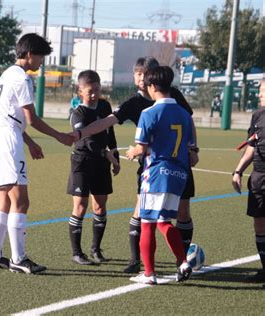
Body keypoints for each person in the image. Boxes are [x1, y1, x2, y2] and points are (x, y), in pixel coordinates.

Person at [70, 57, 199, 274]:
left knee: (181, 213)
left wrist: (193, 149)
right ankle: (136, 261)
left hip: (175, 164)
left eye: (145, 73)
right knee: (143, 213)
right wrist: (81, 133)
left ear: (153, 78)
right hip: (155, 167)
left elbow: (189, 120)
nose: (140, 78)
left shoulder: (171, 95)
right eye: (137, 73)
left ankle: (178, 262)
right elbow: (108, 122)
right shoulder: (134, 103)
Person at [0, 33, 72, 274]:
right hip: (9, 141)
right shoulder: (23, 79)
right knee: (21, 202)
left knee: (4, 200)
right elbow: (31, 119)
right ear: (30, 54)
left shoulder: (6, 74)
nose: (42, 62)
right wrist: (60, 136)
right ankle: (19, 259)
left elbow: (11, 119)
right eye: (41, 56)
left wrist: (31, 142)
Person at [126, 66, 194, 284]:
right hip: (179, 174)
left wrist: (131, 151)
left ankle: (149, 274)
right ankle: (182, 261)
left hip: (156, 173)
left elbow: (142, 147)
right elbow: (191, 147)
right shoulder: (184, 114)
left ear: (153, 87)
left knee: (147, 222)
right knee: (165, 221)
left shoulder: (149, 113)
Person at [67, 70, 120, 265]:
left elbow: (110, 129)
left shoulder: (105, 105)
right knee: (80, 207)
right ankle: (77, 253)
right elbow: (88, 140)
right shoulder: (78, 113)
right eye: (89, 91)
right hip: (82, 162)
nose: (94, 94)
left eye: (97, 90)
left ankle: (96, 250)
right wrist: (106, 154)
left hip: (102, 162)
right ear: (80, 90)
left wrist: (114, 154)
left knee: (100, 206)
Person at [232, 79, 265, 283]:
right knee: (259, 225)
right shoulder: (258, 116)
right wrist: (238, 171)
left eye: (263, 91)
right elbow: (251, 146)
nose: (260, 94)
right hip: (259, 177)